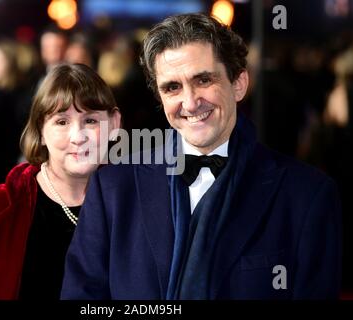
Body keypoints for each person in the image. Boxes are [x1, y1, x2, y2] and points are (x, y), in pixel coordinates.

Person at [61, 13, 342, 300]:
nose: (191, 102)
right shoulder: (112, 188)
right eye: (172, 87)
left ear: (239, 84)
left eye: (204, 80)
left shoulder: (307, 196)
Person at [0, 63, 121, 299]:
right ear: (40, 131)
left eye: (90, 121)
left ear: (114, 124)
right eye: (61, 121)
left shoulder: (134, 206)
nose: (78, 137)